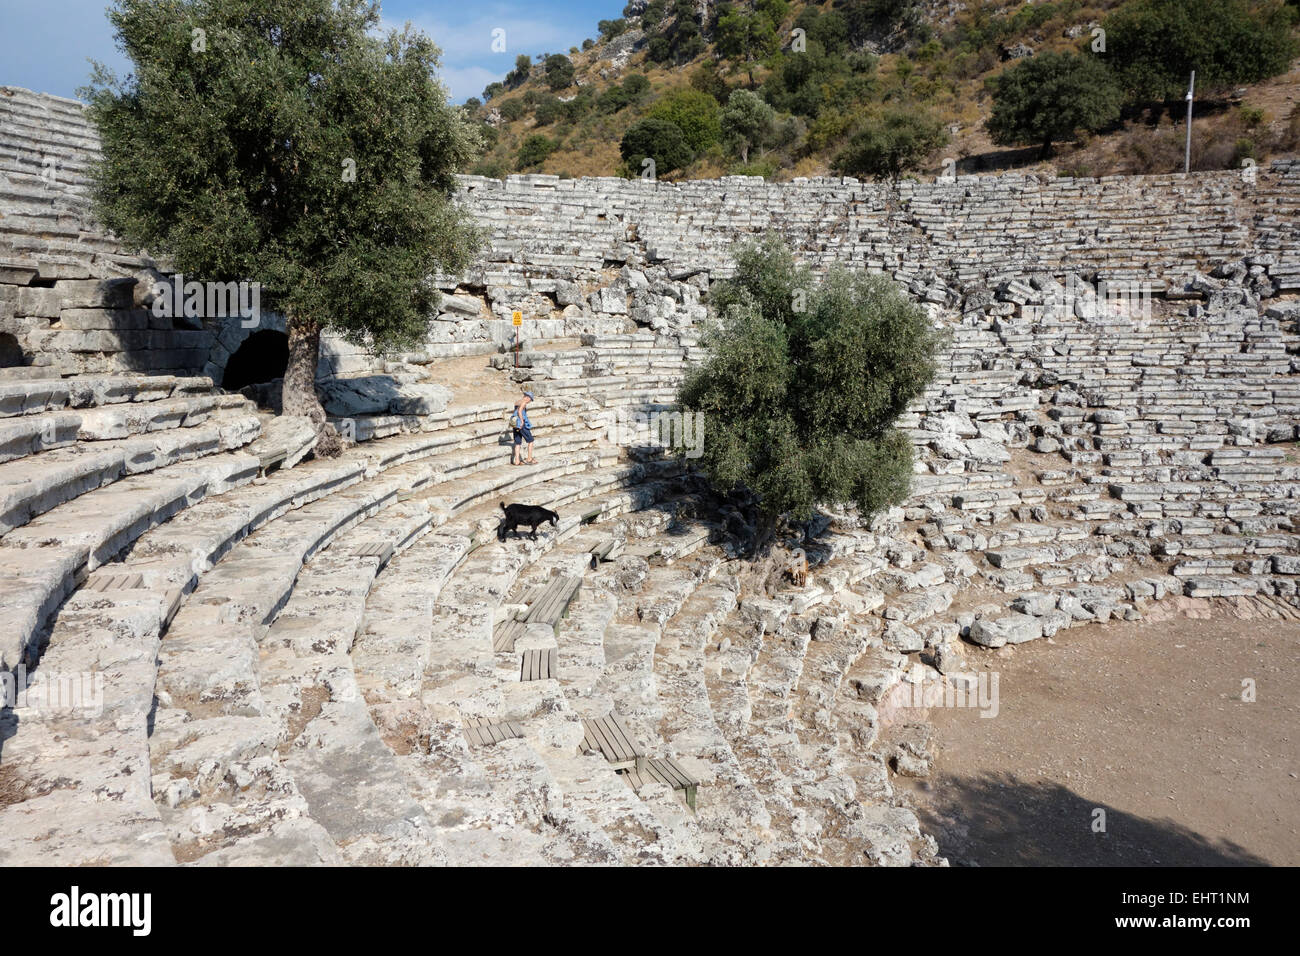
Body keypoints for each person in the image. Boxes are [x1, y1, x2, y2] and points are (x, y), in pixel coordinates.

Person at [511, 390, 536, 465]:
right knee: (531, 441)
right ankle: (529, 458)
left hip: (515, 425)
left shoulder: (517, 401)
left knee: (518, 442)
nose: (529, 401)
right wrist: (522, 421)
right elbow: (519, 411)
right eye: (530, 400)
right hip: (521, 425)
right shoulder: (524, 402)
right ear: (528, 398)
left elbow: (515, 411)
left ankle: (517, 461)